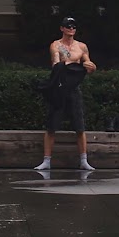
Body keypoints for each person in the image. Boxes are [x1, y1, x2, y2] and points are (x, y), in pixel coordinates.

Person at [36, 17, 96, 171]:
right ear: (62, 28)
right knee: (52, 125)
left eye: (73, 26)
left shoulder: (81, 46)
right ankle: (47, 160)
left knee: (79, 125)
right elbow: (57, 63)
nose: (71, 29)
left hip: (73, 88)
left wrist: (90, 67)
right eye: (68, 26)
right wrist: (70, 63)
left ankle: (83, 160)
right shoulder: (57, 45)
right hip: (59, 87)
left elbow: (87, 64)